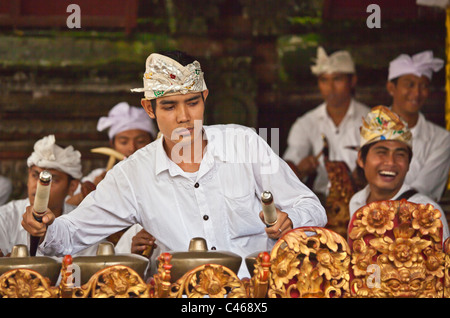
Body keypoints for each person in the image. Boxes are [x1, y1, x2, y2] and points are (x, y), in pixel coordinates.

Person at [21, 50, 327, 278]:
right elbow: (69, 235)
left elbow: (312, 208)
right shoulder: (133, 174)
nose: (183, 117)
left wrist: (291, 219)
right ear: (149, 109)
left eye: (192, 103)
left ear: (205, 98)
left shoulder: (244, 143)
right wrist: (43, 226)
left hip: (256, 293)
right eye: (169, 106)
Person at [349, 106, 450, 240]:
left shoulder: (426, 211)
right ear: (361, 159)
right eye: (381, 152)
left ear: (408, 163)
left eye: (400, 154)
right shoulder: (356, 202)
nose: (391, 162)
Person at [283, 46, 370, 201]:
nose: (330, 88)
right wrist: (299, 168)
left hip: (363, 200)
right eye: (324, 80)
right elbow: (286, 170)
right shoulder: (306, 123)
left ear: (352, 81)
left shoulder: (370, 119)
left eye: (337, 79)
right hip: (321, 201)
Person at [0, 135, 97, 256]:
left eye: (52, 180)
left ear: (72, 187)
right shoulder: (4, 217)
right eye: (35, 175)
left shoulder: (83, 224)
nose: (40, 186)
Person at [386, 50, 450, 201]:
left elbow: (423, 189)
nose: (417, 93)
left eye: (423, 86)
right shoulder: (368, 126)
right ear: (391, 88)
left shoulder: (441, 139)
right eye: (410, 84)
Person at [66, 101, 157, 206]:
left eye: (140, 141)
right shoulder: (99, 177)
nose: (132, 148)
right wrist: (94, 188)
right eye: (123, 142)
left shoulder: (162, 174)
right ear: (112, 144)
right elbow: (67, 206)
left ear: (153, 142)